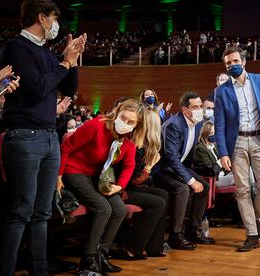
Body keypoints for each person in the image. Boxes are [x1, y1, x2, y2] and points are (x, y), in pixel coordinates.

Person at [0, 0, 86, 274]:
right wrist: (63, 62)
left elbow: (68, 88)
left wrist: (72, 61)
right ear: (41, 18)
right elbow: (37, 88)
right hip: (24, 136)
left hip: (49, 138)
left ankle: (39, 269)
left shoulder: (48, 54)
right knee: (21, 211)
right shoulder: (16, 47)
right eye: (53, 18)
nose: (56, 25)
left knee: (43, 213)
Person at [57, 99, 139, 273]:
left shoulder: (128, 138)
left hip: (95, 176)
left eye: (131, 122)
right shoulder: (96, 125)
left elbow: (129, 165)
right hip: (74, 170)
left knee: (120, 209)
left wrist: (120, 186)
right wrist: (59, 175)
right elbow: (66, 147)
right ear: (117, 113)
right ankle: (88, 258)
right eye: (124, 118)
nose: (126, 123)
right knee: (103, 209)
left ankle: (101, 254)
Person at [214, 47, 260, 252]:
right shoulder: (221, 91)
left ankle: (254, 218)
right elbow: (220, 125)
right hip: (237, 143)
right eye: (228, 63)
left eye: (235, 61)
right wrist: (223, 152)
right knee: (242, 190)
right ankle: (251, 234)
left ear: (243, 61)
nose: (231, 65)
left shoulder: (259, 80)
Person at [152, 92, 215, 250]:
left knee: (204, 187)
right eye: (195, 107)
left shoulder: (197, 123)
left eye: (200, 106)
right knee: (183, 188)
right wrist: (190, 180)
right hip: (163, 169)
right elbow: (171, 157)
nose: (199, 109)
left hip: (180, 167)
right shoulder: (175, 124)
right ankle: (175, 235)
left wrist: (191, 177)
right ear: (185, 109)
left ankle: (192, 230)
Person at [118, 106, 168, 259]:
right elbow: (134, 180)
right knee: (158, 203)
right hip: (122, 190)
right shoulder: (135, 145)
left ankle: (154, 246)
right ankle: (130, 247)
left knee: (163, 194)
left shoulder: (142, 144)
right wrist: (149, 167)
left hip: (128, 187)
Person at [193, 120, 235, 188]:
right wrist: (219, 163)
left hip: (223, 175)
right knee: (240, 178)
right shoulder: (200, 149)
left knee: (246, 171)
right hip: (214, 180)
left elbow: (223, 167)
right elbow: (209, 171)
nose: (215, 135)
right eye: (212, 133)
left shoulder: (214, 147)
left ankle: (253, 192)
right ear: (206, 134)